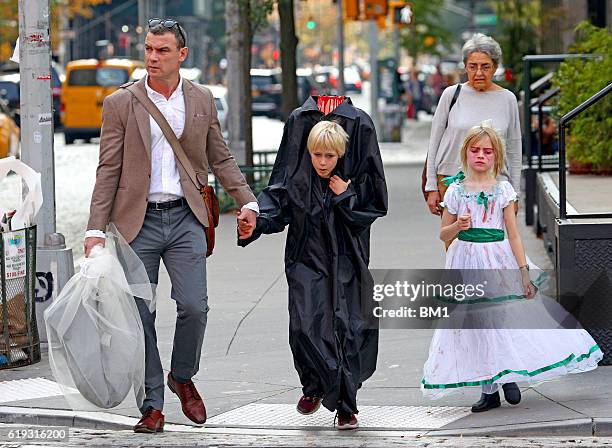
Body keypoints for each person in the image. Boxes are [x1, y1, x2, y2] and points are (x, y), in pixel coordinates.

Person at [84, 19, 258, 433]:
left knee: (195, 306)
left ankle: (181, 375)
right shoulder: (121, 103)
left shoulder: (200, 99)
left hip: (185, 218)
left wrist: (248, 199)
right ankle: (152, 405)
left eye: (162, 50)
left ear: (182, 55)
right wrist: (94, 229)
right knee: (140, 314)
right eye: (148, 49)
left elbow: (221, 156)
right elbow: (108, 169)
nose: (152, 57)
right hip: (136, 222)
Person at [421, 122, 602, 412]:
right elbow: (443, 234)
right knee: (478, 324)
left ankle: (508, 376)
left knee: (501, 319)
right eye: (475, 150)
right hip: (466, 260)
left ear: (496, 156)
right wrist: (457, 225)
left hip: (497, 258)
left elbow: (513, 233)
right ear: (465, 153)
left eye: (487, 151)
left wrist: (522, 270)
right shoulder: (455, 190)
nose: (481, 156)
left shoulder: (503, 190)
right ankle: (489, 389)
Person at [238, 120, 387, 430]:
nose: (322, 162)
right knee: (306, 328)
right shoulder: (299, 182)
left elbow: (367, 215)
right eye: (316, 155)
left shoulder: (351, 183)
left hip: (347, 264)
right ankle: (314, 385)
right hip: (305, 261)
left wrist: (345, 196)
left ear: (340, 155)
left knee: (347, 330)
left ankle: (346, 405)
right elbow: (276, 208)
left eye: (329, 156)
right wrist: (255, 223)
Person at [425, 34, 522, 218]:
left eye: (485, 67)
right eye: (472, 66)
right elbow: (434, 142)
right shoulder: (451, 95)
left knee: (490, 241)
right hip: (452, 180)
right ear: (465, 67)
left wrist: (515, 193)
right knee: (455, 242)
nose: (478, 73)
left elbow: (514, 150)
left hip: (495, 183)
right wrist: (431, 186)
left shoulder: (508, 99)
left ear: (495, 67)